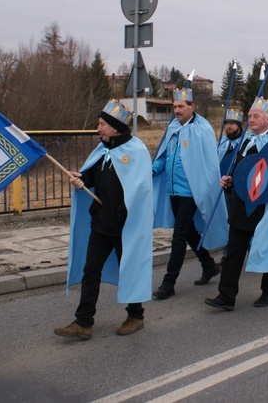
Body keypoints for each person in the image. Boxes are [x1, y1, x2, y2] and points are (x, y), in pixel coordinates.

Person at [55, 100, 153, 340]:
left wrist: (122, 213)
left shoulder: (137, 151)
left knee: (128, 269)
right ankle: (83, 322)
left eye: (102, 124)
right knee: (91, 270)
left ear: (116, 127)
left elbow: (141, 191)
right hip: (100, 224)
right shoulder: (103, 150)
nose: (98, 128)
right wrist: (82, 179)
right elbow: (92, 175)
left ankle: (136, 316)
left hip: (125, 227)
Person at [205, 98, 268, 311]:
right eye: (250, 116)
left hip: (265, 207)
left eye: (256, 116)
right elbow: (243, 171)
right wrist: (230, 180)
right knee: (234, 252)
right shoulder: (246, 141)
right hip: (242, 206)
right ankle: (226, 296)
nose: (251, 120)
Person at [151, 88, 226, 300]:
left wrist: (204, 187)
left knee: (179, 237)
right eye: (175, 107)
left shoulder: (202, 129)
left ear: (192, 107)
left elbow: (209, 163)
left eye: (181, 106)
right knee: (189, 231)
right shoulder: (173, 128)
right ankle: (209, 265)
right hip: (173, 190)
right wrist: (154, 169)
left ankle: (168, 283)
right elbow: (164, 156)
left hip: (191, 191)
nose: (177, 110)